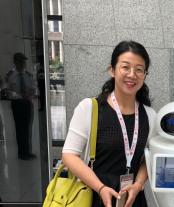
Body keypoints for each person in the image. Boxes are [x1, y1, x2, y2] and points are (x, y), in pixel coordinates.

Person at [62, 41, 156, 207]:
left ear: (145, 75)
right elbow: (69, 155)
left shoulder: (149, 115)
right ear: (112, 70)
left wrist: (139, 184)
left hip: (131, 199)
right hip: (94, 195)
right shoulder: (90, 108)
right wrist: (101, 188)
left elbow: (150, 159)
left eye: (139, 69)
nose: (132, 74)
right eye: (125, 67)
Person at [6, 52, 36, 160]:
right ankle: (21, 153)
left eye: (23, 61)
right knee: (19, 129)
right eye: (20, 61)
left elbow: (33, 87)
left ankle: (27, 151)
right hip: (17, 104)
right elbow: (8, 91)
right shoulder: (10, 75)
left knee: (27, 128)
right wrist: (17, 95)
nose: (22, 63)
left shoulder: (28, 75)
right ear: (15, 62)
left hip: (27, 104)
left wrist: (31, 92)